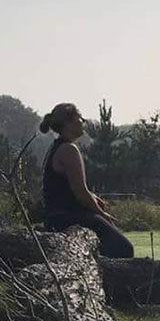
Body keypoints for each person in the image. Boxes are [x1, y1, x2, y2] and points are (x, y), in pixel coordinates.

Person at [39, 102, 134, 258]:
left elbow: (70, 188)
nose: (83, 122)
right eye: (80, 118)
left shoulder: (58, 147)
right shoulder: (69, 150)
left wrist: (93, 198)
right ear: (68, 123)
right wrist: (102, 214)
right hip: (67, 218)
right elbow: (80, 192)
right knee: (124, 249)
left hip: (55, 217)